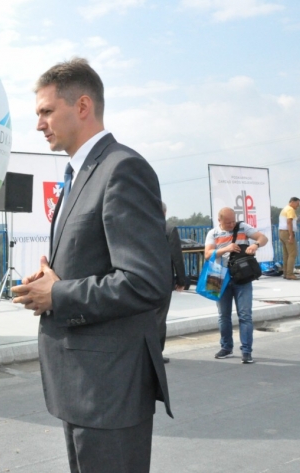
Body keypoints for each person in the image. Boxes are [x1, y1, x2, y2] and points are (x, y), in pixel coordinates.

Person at [10, 58, 172, 473]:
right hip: (83, 385)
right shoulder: (79, 173)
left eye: (47, 111)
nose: (39, 124)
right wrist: (49, 281)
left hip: (110, 389)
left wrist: (58, 294)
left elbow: (145, 281)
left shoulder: (122, 169)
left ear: (82, 106)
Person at [205, 207, 269, 364]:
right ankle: (226, 347)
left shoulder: (243, 227)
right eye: (228, 222)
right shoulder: (213, 233)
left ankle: (246, 351)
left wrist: (255, 245)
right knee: (223, 316)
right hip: (219, 277)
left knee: (245, 315)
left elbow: (263, 238)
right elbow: (207, 254)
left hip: (243, 277)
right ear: (219, 220)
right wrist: (226, 249)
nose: (231, 224)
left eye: (233, 221)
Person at [157, 202, 189, 364]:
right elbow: (176, 256)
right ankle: (157, 353)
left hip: (141, 279)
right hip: (162, 280)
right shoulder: (169, 229)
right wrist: (181, 280)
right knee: (160, 318)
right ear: (165, 212)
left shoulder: (139, 227)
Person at [278, 197, 300, 280]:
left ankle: (285, 273)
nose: (298, 205)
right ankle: (290, 274)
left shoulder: (285, 208)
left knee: (286, 254)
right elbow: (289, 222)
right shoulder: (290, 209)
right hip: (287, 232)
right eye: (297, 203)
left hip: (281, 232)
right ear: (292, 202)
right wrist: (291, 235)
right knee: (292, 254)